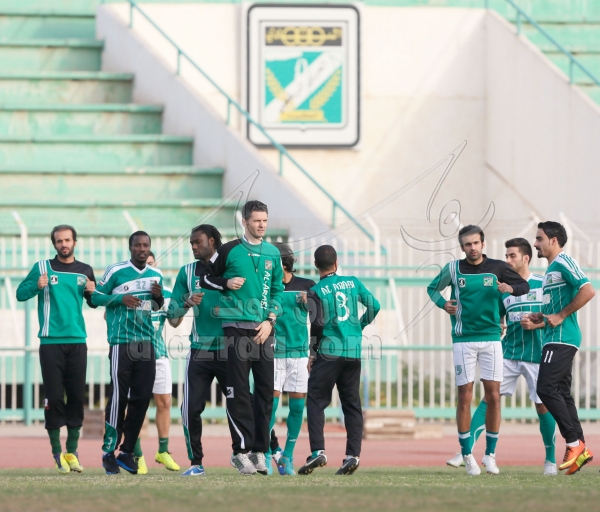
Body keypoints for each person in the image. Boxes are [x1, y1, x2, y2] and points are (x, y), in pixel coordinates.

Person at [445, 237, 557, 475]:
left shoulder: (542, 283)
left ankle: (550, 460)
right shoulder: (501, 287)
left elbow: (557, 316)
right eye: (505, 256)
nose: (507, 260)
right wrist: (498, 324)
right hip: (508, 352)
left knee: (542, 406)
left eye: (511, 256)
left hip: (537, 355)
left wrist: (538, 324)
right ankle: (466, 451)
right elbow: (497, 315)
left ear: (525, 258)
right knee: (489, 399)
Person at [427, 225, 529, 476]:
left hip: (492, 339)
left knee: (493, 396)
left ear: (483, 244)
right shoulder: (453, 269)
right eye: (467, 244)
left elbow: (523, 286)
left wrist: (510, 288)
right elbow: (432, 289)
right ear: (462, 247)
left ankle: (490, 454)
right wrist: (443, 304)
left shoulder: (498, 267)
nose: (472, 248)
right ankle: (467, 455)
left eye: (476, 243)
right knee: (465, 396)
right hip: (463, 340)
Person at [203, 200, 284, 475]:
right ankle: (240, 451)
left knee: (265, 392)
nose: (261, 225)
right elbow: (205, 279)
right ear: (245, 222)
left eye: (265, 220)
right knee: (238, 391)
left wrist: (270, 321)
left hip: (264, 330)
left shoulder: (273, 253)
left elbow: (277, 291)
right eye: (257, 220)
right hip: (236, 329)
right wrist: (225, 283)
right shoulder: (228, 250)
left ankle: (260, 451)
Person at [16, 225, 96, 473]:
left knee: (76, 396)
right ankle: (56, 453)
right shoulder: (42, 268)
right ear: (54, 244)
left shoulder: (85, 270)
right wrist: (36, 286)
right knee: (53, 397)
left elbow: (94, 301)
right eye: (59, 241)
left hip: (78, 341)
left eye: (68, 240)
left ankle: (72, 452)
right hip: (50, 342)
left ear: (75, 242)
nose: (64, 244)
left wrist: (94, 292)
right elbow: (20, 294)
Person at [298, 244, 380, 476]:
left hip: (329, 351)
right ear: (336, 263)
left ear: (316, 265)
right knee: (351, 404)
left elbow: (318, 323)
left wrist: (313, 351)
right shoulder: (353, 282)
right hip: (352, 351)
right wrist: (359, 326)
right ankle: (353, 455)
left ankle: (318, 451)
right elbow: (375, 306)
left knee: (316, 401)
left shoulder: (315, 291)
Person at [91, 231, 164, 475]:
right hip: (121, 341)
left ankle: (127, 451)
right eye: (137, 245)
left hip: (146, 342)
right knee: (118, 397)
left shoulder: (156, 275)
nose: (142, 249)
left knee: (142, 398)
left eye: (146, 245)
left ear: (150, 248)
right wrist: (120, 299)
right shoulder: (116, 271)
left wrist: (158, 297)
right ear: (130, 247)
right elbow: (95, 297)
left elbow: (155, 307)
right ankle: (108, 452)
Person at [529, 221, 595, 475]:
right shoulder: (551, 270)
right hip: (553, 336)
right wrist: (543, 316)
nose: (535, 243)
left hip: (562, 338)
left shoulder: (564, 261)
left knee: (545, 388)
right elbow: (556, 307)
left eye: (539, 238)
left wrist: (561, 315)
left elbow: (588, 290)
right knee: (562, 393)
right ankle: (581, 450)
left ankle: (573, 443)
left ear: (553, 240)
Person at [168, 224, 234, 477]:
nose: (194, 247)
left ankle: (244, 453)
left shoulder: (231, 269)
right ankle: (196, 462)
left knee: (241, 405)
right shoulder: (187, 272)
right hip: (200, 351)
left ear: (213, 241)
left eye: (198, 242)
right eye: (191, 244)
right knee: (189, 409)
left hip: (231, 349)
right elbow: (172, 319)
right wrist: (185, 303)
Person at [266, 243, 315, 476]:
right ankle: (265, 454)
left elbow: (320, 317)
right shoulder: (266, 287)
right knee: (270, 407)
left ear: (282, 263)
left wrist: (310, 303)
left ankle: (288, 455)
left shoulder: (307, 286)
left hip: (299, 355)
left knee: (296, 408)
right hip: (273, 353)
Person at [131, 251, 180, 474]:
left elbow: (175, 320)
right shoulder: (129, 289)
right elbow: (109, 316)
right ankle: (137, 454)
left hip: (159, 353)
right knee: (137, 405)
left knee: (165, 402)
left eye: (150, 264)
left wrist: (185, 305)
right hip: (134, 354)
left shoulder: (166, 293)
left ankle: (163, 450)